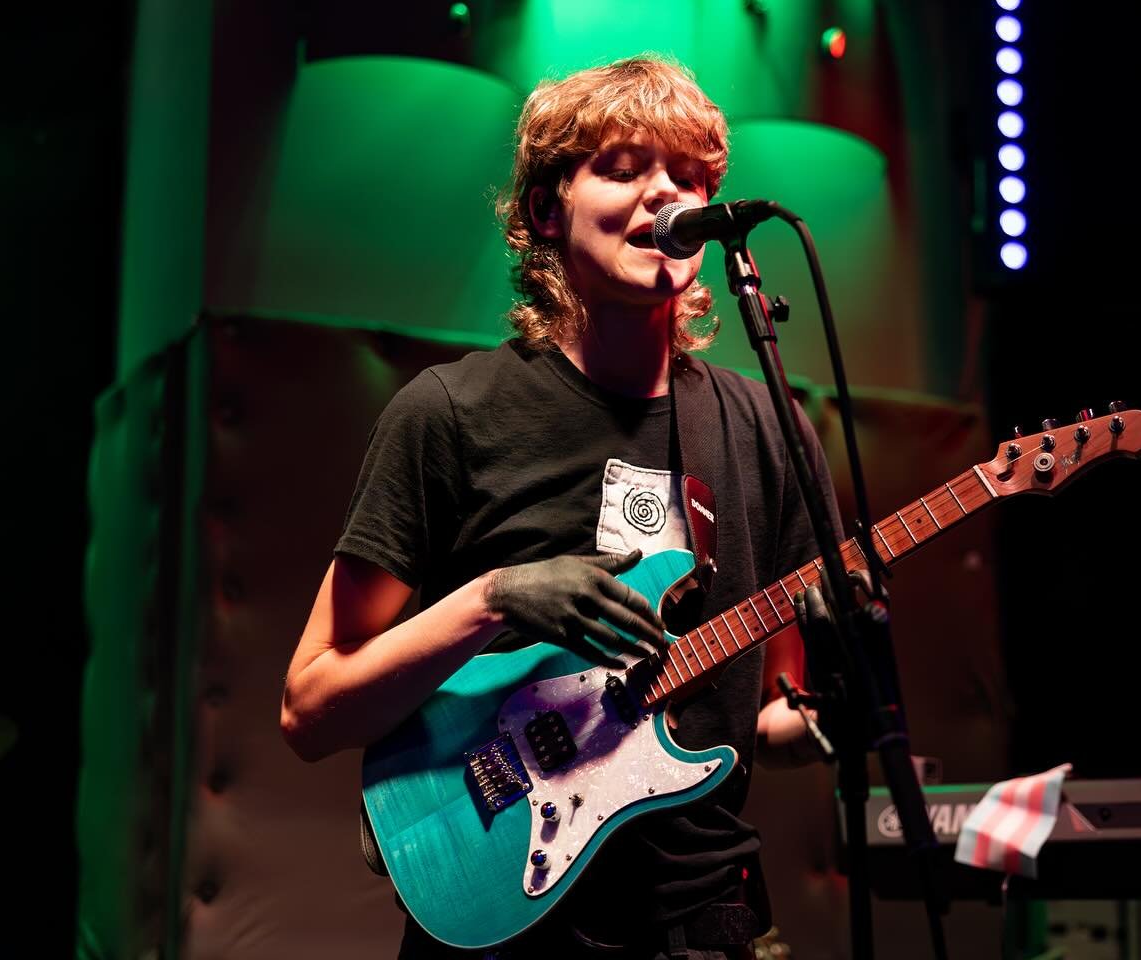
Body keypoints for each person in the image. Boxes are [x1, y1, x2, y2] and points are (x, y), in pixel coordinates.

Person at [279, 57, 839, 960]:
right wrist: (493, 598)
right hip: (518, 931)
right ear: (547, 211)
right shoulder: (449, 414)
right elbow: (311, 709)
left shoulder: (766, 425)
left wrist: (819, 721)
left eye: (690, 176)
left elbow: (771, 711)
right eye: (624, 168)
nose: (668, 193)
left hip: (708, 923)